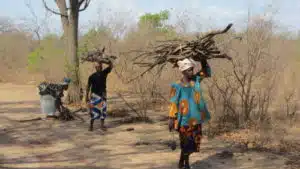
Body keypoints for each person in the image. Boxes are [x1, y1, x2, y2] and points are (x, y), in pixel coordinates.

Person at [168, 58, 211, 169]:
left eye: (192, 69)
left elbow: (206, 71)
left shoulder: (196, 80)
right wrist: (171, 118)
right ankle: (186, 164)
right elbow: (173, 102)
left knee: (193, 144)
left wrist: (203, 59)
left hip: (196, 118)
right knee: (185, 143)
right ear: (183, 71)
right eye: (189, 70)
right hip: (183, 120)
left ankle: (182, 161)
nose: (191, 72)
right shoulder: (176, 85)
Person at [86, 60, 113, 131]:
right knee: (93, 111)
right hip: (94, 96)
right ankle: (91, 126)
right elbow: (88, 87)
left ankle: (102, 125)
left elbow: (111, 66)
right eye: (98, 67)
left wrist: (105, 61)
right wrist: (86, 97)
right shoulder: (91, 77)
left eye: (100, 67)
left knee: (103, 110)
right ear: (96, 68)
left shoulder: (104, 73)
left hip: (103, 94)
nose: (100, 68)